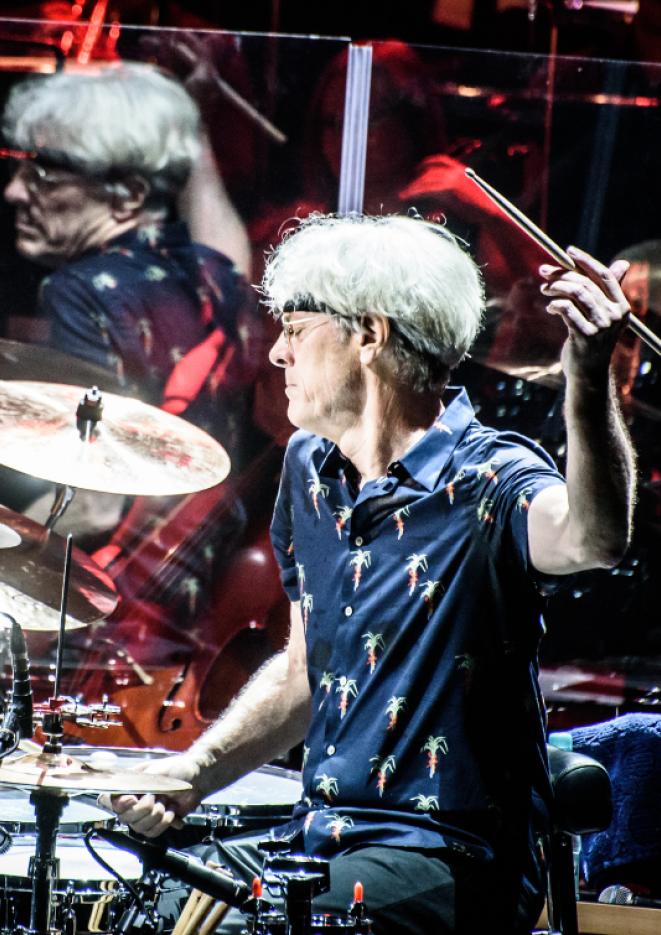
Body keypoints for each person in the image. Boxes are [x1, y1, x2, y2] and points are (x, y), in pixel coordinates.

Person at [107, 213, 635, 934]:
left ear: (369, 335)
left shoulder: (492, 477)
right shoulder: (308, 467)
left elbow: (590, 538)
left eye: (295, 327)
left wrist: (586, 377)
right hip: (322, 838)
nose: (278, 355)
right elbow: (303, 673)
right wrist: (188, 777)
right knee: (144, 907)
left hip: (450, 859)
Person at [2, 62, 257, 453]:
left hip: (136, 512)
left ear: (127, 197)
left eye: (42, 175)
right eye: (18, 169)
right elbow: (229, 254)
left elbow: (94, 489)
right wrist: (191, 122)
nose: (14, 192)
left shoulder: (77, 291)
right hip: (208, 505)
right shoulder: (203, 270)